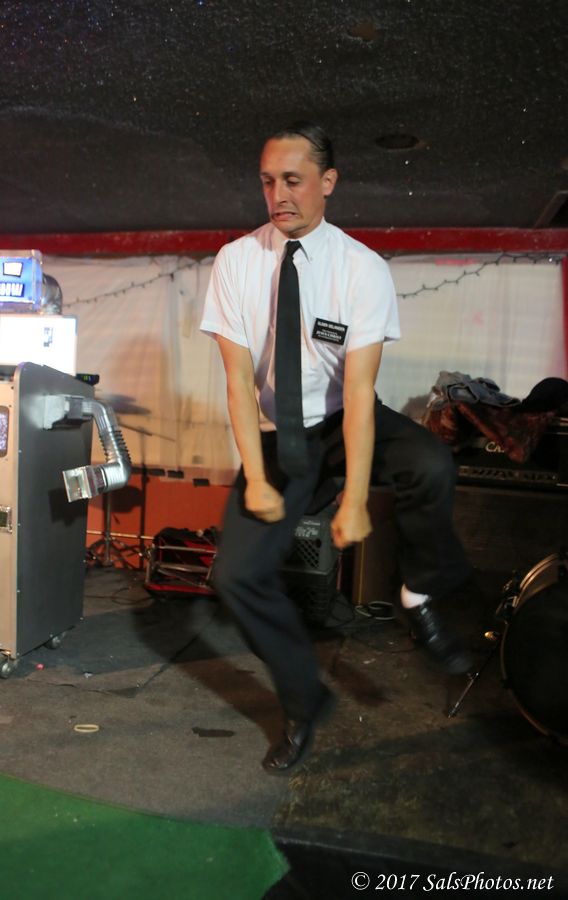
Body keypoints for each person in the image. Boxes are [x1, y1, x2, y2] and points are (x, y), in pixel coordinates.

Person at [200, 122, 472, 775]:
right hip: (277, 435)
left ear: (327, 182)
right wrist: (256, 477)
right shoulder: (236, 261)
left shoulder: (361, 268)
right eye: (268, 181)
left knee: (430, 462)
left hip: (345, 417)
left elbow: (357, 389)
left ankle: (420, 595)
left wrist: (353, 500)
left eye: (293, 180)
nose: (278, 194)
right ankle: (304, 702)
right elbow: (236, 381)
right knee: (235, 578)